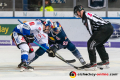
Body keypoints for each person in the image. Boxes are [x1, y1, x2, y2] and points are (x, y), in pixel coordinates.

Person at [74, 5, 113, 70]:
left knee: (90, 43)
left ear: (79, 11)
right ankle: (105, 61)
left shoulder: (85, 17)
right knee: (98, 44)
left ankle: (93, 63)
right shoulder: (87, 14)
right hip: (109, 28)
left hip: (103, 29)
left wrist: (92, 39)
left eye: (77, 13)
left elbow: (90, 29)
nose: (77, 15)